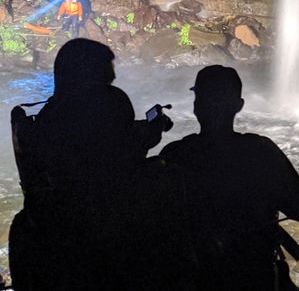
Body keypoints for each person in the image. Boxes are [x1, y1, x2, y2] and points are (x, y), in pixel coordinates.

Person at [9, 38, 195, 290]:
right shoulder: (110, 99)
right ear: (93, 71)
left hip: (60, 214)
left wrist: (147, 129)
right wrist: (154, 129)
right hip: (108, 213)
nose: (114, 74)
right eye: (109, 69)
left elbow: (98, 141)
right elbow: (124, 150)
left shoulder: (51, 112)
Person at [160, 65, 299, 290]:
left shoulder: (174, 156)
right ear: (239, 106)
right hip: (253, 276)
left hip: (197, 278)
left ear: (197, 106)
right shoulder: (260, 152)